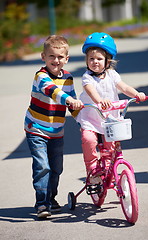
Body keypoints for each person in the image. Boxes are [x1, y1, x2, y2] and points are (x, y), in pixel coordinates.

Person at [24, 35, 83, 218]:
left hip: (57, 131)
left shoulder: (68, 78)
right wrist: (70, 100)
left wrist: (82, 120)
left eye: (59, 57)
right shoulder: (40, 76)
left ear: (66, 59)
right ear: (43, 56)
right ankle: (42, 203)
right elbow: (53, 91)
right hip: (36, 128)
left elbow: (71, 105)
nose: (55, 60)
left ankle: (51, 198)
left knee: (56, 168)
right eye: (51, 56)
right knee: (42, 166)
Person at [76, 32, 146, 183]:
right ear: (86, 61)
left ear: (108, 61)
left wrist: (136, 94)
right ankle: (93, 171)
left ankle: (108, 170)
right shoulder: (87, 77)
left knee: (110, 147)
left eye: (99, 59)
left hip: (110, 119)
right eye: (91, 59)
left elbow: (124, 87)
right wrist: (100, 101)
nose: (95, 62)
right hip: (91, 118)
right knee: (88, 140)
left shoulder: (112, 74)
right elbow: (90, 90)